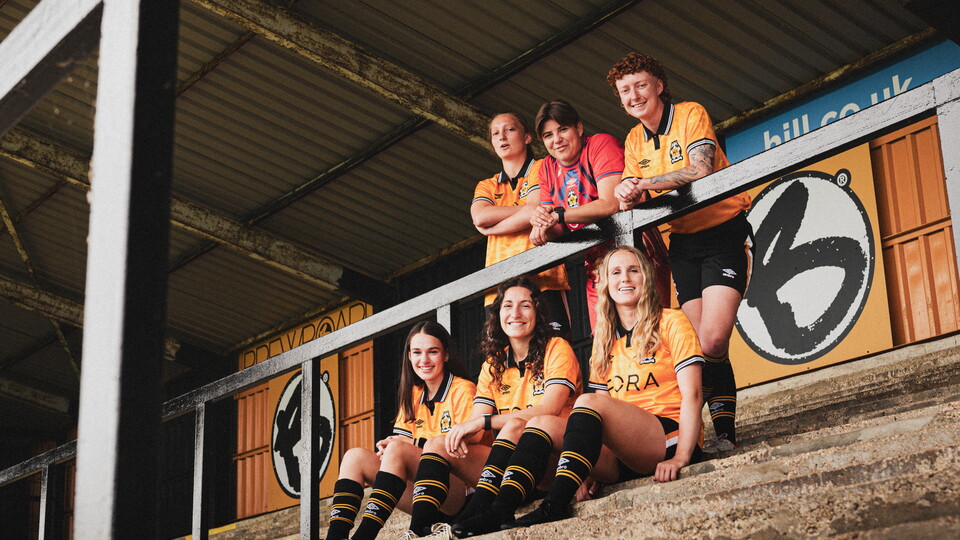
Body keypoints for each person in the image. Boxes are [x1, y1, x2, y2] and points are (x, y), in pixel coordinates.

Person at [455, 246, 704, 535]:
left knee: (589, 402)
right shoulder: (604, 339)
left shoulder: (672, 321)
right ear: (606, 285)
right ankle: (499, 511)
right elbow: (601, 423)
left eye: (633, 270)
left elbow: (694, 396)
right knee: (538, 423)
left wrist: (682, 456)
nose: (625, 278)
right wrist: (585, 467)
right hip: (623, 455)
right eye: (615, 273)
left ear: (647, 277)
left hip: (667, 438)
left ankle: (555, 504)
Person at [609, 52, 753, 451]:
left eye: (640, 85)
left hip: (724, 230)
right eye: (625, 91)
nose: (634, 95)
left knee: (711, 341)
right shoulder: (634, 139)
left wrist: (643, 183)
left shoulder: (690, 112)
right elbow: (630, 193)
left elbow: (700, 168)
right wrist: (625, 191)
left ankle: (712, 432)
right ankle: (720, 435)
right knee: (699, 348)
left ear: (659, 85)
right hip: (684, 242)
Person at [395, 277, 581, 539]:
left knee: (517, 425)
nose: (515, 313)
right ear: (498, 314)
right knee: (437, 443)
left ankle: (484, 508)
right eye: (507, 306)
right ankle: (419, 531)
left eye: (525, 306)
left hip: (549, 463)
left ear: (538, 312)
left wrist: (483, 423)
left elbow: (549, 409)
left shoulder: (556, 348)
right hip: (505, 467)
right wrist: (462, 434)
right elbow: (477, 424)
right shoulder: (493, 364)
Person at [324, 321, 475, 540]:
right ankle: (335, 537)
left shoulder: (462, 389)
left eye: (432, 352)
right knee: (354, 457)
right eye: (417, 352)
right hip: (423, 493)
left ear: (446, 355)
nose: (424, 360)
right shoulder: (413, 394)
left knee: (398, 449)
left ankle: (364, 536)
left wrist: (403, 447)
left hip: (459, 494)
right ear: (409, 356)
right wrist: (388, 448)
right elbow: (401, 445)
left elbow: (458, 447)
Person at [528, 99, 669, 329]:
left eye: (563, 129)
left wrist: (559, 215)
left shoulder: (600, 144)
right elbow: (556, 226)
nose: (557, 140)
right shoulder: (546, 167)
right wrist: (541, 224)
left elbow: (610, 204)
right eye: (548, 135)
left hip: (636, 249)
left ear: (579, 129)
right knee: (605, 345)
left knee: (653, 331)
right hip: (596, 263)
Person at [472, 112, 571, 336]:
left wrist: (493, 228)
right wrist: (526, 211)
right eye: (495, 133)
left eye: (510, 129)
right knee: (503, 364)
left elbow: (534, 208)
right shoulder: (486, 185)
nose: (502, 136)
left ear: (527, 137)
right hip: (498, 288)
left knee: (554, 352)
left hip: (544, 280)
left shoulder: (542, 167)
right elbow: (479, 217)